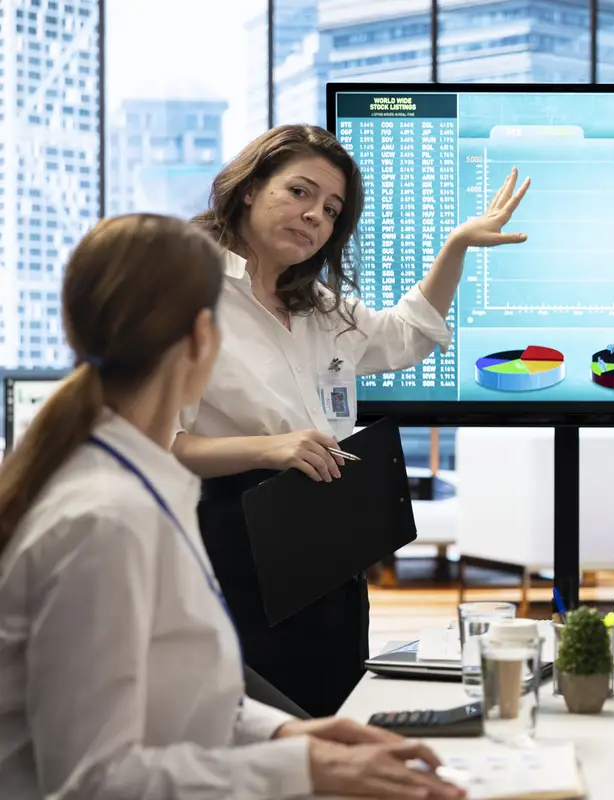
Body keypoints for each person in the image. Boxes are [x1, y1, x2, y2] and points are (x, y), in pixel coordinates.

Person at [0, 214, 464, 799]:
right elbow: (94, 783)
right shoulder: (104, 521)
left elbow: (176, 696)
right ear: (203, 338)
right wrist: (308, 770)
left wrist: (289, 735)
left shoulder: (139, 485)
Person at [172, 124, 530, 717]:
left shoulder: (317, 306)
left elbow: (408, 336)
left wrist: (457, 246)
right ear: (250, 189)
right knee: (259, 721)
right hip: (236, 543)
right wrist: (269, 449)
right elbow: (160, 443)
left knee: (334, 710)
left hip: (328, 554)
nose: (315, 216)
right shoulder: (189, 291)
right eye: (300, 192)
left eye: (331, 209)